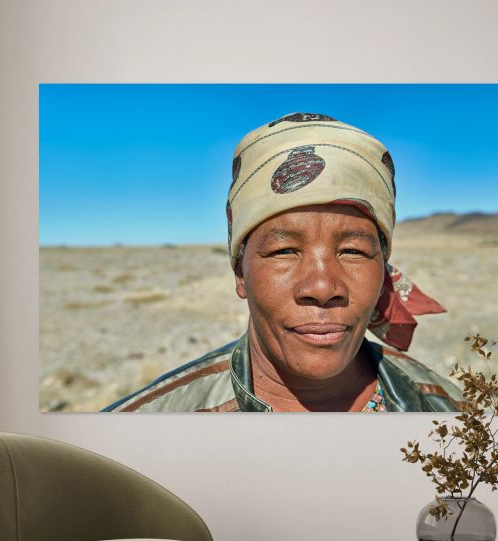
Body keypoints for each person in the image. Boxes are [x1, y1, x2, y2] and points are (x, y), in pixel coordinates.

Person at [102, 112, 462, 413]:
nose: (322, 288)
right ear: (240, 272)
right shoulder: (148, 425)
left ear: (383, 268)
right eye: (284, 251)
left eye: (353, 251)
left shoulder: (451, 411)